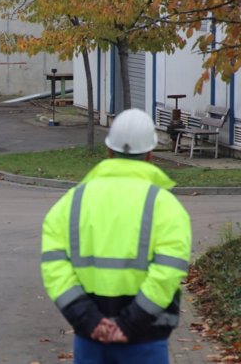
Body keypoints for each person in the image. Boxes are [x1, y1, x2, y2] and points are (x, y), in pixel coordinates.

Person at [41, 108, 192, 364]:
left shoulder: (71, 202)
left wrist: (89, 320)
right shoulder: (165, 206)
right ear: (150, 156)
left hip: (91, 338)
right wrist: (129, 324)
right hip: (146, 340)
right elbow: (167, 272)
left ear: (109, 152)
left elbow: (54, 267)